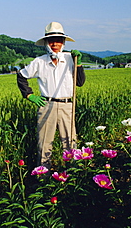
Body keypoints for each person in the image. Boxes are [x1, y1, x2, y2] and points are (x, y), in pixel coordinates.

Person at [17, 21, 86, 169]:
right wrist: (30, 96)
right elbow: (21, 76)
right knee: (44, 142)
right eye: (51, 40)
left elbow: (80, 82)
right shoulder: (39, 62)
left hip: (67, 105)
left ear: (63, 42)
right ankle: (43, 176)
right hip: (46, 105)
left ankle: (72, 174)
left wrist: (78, 64)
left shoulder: (70, 58)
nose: (55, 43)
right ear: (46, 43)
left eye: (59, 40)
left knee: (70, 142)